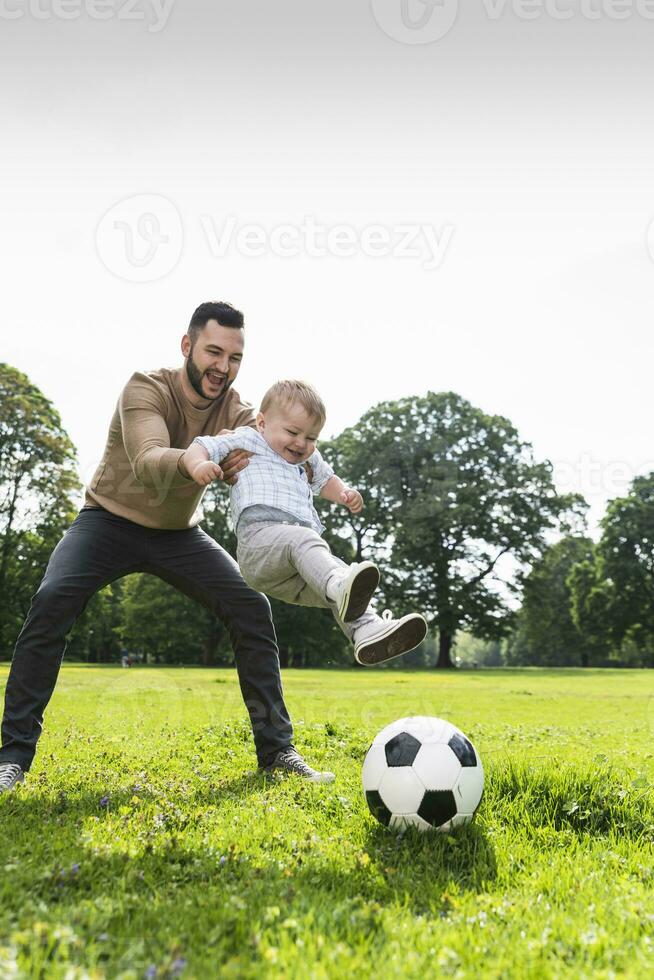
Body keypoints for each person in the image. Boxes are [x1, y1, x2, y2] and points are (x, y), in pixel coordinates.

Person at [0, 301, 334, 793]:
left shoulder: (240, 411)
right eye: (213, 352)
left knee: (250, 607)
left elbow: (289, 437)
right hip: (107, 522)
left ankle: (277, 750)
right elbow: (147, 456)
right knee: (52, 601)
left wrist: (318, 471)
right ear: (187, 346)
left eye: (234, 357)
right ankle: (12, 756)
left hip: (180, 535)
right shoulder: (145, 388)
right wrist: (197, 463)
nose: (223, 367)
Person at [180, 380, 427, 665]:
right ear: (262, 422)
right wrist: (198, 465)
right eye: (292, 432)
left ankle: (365, 631)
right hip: (260, 543)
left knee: (339, 577)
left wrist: (345, 493)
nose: (301, 443)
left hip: (291, 570)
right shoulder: (247, 439)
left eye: (311, 438)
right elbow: (201, 446)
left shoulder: (308, 460)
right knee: (318, 555)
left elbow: (326, 480)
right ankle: (339, 585)